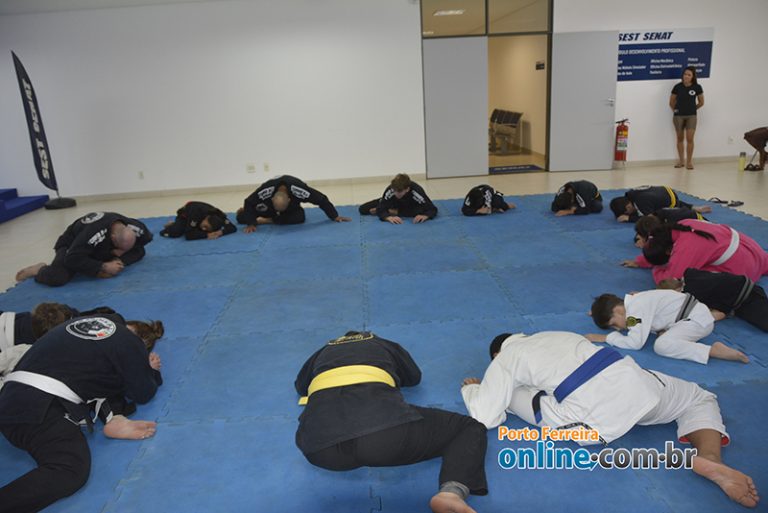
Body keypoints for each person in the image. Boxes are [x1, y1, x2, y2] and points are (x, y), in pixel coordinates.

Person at [462, 331, 759, 508]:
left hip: (594, 419)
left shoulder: (506, 358)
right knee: (698, 397)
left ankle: (494, 391)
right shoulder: (556, 334)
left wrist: (476, 389)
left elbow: (485, 417)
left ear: (497, 353)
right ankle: (710, 457)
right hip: (639, 384)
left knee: (508, 398)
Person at [295, 331, 487, 513]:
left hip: (318, 447)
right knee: (467, 427)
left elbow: (301, 386)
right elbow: (414, 376)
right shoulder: (381, 343)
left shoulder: (322, 352)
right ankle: (451, 493)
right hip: (385, 435)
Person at [0, 314, 162, 513]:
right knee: (70, 468)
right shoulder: (130, 343)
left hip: (10, 396)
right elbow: (143, 392)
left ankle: (114, 417)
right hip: (38, 406)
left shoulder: (84, 322)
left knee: (106, 386)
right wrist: (151, 371)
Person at [587, 291, 748, 364]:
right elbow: (637, 323)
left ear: (618, 310)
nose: (617, 329)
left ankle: (712, 351)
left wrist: (607, 338)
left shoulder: (635, 309)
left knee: (661, 345)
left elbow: (635, 343)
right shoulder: (635, 303)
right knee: (660, 336)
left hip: (696, 321)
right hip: (693, 316)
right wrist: (598, 312)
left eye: (613, 324)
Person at [15, 212, 153, 287]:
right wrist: (103, 266)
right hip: (72, 247)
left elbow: (146, 239)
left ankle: (109, 262)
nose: (121, 252)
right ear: (113, 238)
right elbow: (72, 259)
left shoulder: (135, 227)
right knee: (59, 277)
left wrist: (119, 257)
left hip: (101, 248)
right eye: (120, 248)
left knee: (139, 251)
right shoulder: (93, 234)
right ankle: (39, 269)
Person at [626, 219, 768, 284]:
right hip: (756, 251)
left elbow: (670, 281)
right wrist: (643, 261)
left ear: (669, 251)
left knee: (688, 281)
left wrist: (657, 268)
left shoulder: (686, 248)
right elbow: (658, 245)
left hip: (746, 270)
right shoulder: (683, 225)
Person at [658, 268, 768, 332]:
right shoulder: (690, 273)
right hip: (745, 286)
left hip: (746, 297)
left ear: (677, 292)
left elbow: (719, 315)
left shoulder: (692, 294)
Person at [236, 175, 351, 232]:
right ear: (272, 199)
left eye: (281, 208)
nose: (279, 211)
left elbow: (321, 199)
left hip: (291, 209)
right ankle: (269, 214)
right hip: (269, 207)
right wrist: (251, 223)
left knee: (300, 218)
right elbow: (249, 201)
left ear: (289, 200)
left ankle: (268, 220)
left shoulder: (299, 190)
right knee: (241, 218)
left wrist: (334, 216)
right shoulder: (266, 191)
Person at [358, 174, 438, 224]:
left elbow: (432, 209)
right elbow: (381, 207)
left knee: (420, 211)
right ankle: (392, 210)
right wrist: (388, 217)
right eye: (395, 191)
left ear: (407, 189)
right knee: (363, 209)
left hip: (410, 205)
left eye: (399, 191)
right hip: (393, 203)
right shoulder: (391, 190)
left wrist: (425, 216)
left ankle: (394, 211)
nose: (396, 193)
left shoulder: (416, 191)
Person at [609, 185, 711, 223]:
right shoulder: (630, 194)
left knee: (661, 214)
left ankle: (691, 209)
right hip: (665, 190)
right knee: (658, 203)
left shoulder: (640, 203)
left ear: (628, 206)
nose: (630, 213)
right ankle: (693, 207)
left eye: (627, 212)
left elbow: (650, 219)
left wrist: (629, 218)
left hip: (670, 201)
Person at [670, 66, 704, 170]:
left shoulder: (697, 87)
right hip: (678, 116)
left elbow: (701, 102)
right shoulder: (677, 87)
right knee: (680, 139)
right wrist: (676, 111)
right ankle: (681, 161)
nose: (686, 76)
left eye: (689, 75)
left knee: (690, 139)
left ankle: (689, 162)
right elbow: (671, 102)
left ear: (693, 77)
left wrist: (692, 109)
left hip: (691, 116)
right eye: (685, 74)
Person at [160, 201, 236, 240]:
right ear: (206, 218)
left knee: (198, 230)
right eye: (205, 226)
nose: (204, 229)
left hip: (197, 220)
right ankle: (172, 225)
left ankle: (182, 225)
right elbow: (188, 235)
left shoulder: (219, 215)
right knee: (177, 232)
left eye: (208, 229)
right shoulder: (196, 213)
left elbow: (233, 228)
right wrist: (207, 235)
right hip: (185, 217)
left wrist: (220, 232)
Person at [631, 209, 706, 248]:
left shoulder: (671, 226)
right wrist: (641, 239)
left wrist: (647, 244)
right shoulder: (653, 220)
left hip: (701, 225)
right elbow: (643, 227)